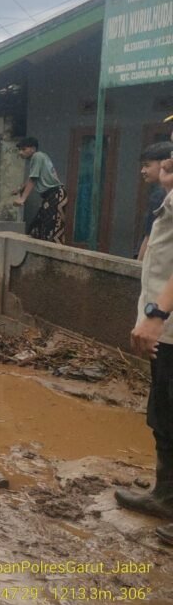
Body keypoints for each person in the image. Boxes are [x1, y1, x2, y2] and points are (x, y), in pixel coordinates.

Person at [123, 156, 173, 546]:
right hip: (166, 332)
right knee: (164, 414)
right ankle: (165, 497)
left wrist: (157, 315)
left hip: (166, 323)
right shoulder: (166, 201)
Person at [13, 137, 68, 244]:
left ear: (33, 149)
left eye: (23, 149)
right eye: (19, 150)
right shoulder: (41, 156)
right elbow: (32, 177)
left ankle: (54, 254)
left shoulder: (36, 156)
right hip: (51, 196)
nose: (20, 153)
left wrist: (22, 199)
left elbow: (33, 179)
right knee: (37, 228)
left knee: (51, 231)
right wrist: (20, 189)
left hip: (55, 195)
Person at [139, 142, 173, 259]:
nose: (142, 170)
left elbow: (149, 238)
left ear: (165, 164)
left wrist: (138, 264)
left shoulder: (159, 196)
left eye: (147, 165)